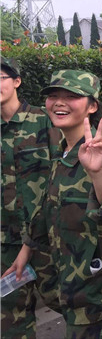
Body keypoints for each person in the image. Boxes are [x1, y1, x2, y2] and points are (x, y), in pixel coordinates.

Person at [4, 70, 102, 338]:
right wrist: (25, 252)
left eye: (72, 96)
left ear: (93, 106)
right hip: (71, 290)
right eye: (53, 96)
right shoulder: (62, 153)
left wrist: (97, 173)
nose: (59, 102)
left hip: (99, 294)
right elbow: (48, 207)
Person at [0, 57, 61, 338]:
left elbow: (62, 174)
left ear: (16, 81)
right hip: (7, 241)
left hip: (48, 237)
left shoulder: (44, 120)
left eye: (1, 77)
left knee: (70, 303)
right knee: (12, 318)